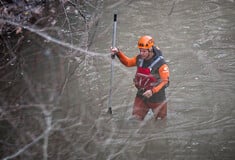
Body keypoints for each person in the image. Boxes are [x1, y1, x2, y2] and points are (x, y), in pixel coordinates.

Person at [110, 35, 170, 120]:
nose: (141, 53)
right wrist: (118, 53)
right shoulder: (139, 58)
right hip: (141, 94)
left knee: (161, 122)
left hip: (157, 98)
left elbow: (165, 82)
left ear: (150, 50)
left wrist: (152, 91)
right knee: (135, 120)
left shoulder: (161, 64)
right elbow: (128, 62)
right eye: (140, 51)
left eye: (144, 51)